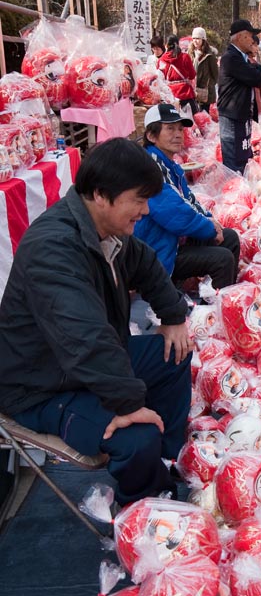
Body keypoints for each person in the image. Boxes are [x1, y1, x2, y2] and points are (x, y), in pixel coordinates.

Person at [0, 138, 192, 506]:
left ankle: (166, 465)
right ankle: (141, 518)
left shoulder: (108, 231)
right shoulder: (52, 248)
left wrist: (173, 316)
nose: (147, 211)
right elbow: (85, 337)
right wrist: (127, 403)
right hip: (41, 387)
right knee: (137, 437)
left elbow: (147, 265)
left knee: (175, 352)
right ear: (102, 195)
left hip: (77, 365)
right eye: (138, 199)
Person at [135, 103, 240, 290]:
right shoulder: (147, 168)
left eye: (180, 129)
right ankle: (212, 315)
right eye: (169, 129)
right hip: (160, 251)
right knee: (222, 259)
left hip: (174, 240)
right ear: (151, 135)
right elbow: (175, 212)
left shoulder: (170, 165)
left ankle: (223, 299)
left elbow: (189, 200)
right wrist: (209, 228)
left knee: (229, 236)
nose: (178, 134)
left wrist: (211, 221)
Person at [217, 19, 261, 173]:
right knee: (234, 161)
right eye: (250, 36)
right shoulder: (231, 58)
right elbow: (257, 79)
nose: (253, 40)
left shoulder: (242, 58)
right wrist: (253, 67)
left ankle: (242, 192)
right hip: (232, 116)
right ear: (240, 37)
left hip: (241, 115)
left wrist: (253, 63)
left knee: (243, 157)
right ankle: (234, 194)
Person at [157, 35, 198, 114]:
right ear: (178, 44)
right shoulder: (185, 57)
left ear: (166, 45)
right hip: (187, 94)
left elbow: (159, 78)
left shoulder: (161, 60)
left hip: (171, 96)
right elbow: (192, 75)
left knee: (174, 121)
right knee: (194, 120)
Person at [192, 33, 218, 112]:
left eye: (198, 38)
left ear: (203, 40)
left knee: (204, 115)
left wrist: (209, 84)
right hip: (192, 89)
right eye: (194, 38)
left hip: (205, 90)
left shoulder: (209, 55)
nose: (195, 41)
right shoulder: (190, 53)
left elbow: (215, 73)